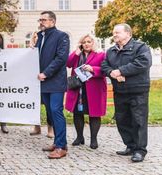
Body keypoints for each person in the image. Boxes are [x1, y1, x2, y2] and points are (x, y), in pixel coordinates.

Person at [101, 24, 152, 163]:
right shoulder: (111, 50)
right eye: (113, 32)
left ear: (128, 34)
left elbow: (143, 63)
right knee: (122, 120)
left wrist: (121, 71)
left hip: (138, 90)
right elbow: (104, 65)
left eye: (117, 32)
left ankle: (140, 150)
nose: (114, 34)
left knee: (138, 120)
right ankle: (130, 146)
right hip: (120, 90)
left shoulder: (140, 47)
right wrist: (111, 72)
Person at [36, 11, 70, 159]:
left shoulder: (61, 36)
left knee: (56, 111)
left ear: (53, 21)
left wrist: (46, 73)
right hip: (43, 82)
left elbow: (61, 58)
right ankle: (57, 142)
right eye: (40, 20)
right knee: (50, 113)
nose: (41, 22)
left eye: (44, 20)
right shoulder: (41, 36)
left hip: (55, 81)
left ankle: (61, 147)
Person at [64, 34, 107, 149]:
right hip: (78, 88)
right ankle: (79, 137)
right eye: (84, 42)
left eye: (88, 41)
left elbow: (105, 70)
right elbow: (68, 63)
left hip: (94, 89)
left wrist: (93, 69)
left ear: (93, 43)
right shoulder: (78, 54)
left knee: (94, 114)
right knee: (77, 113)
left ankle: (94, 139)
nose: (86, 44)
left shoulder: (101, 54)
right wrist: (76, 52)